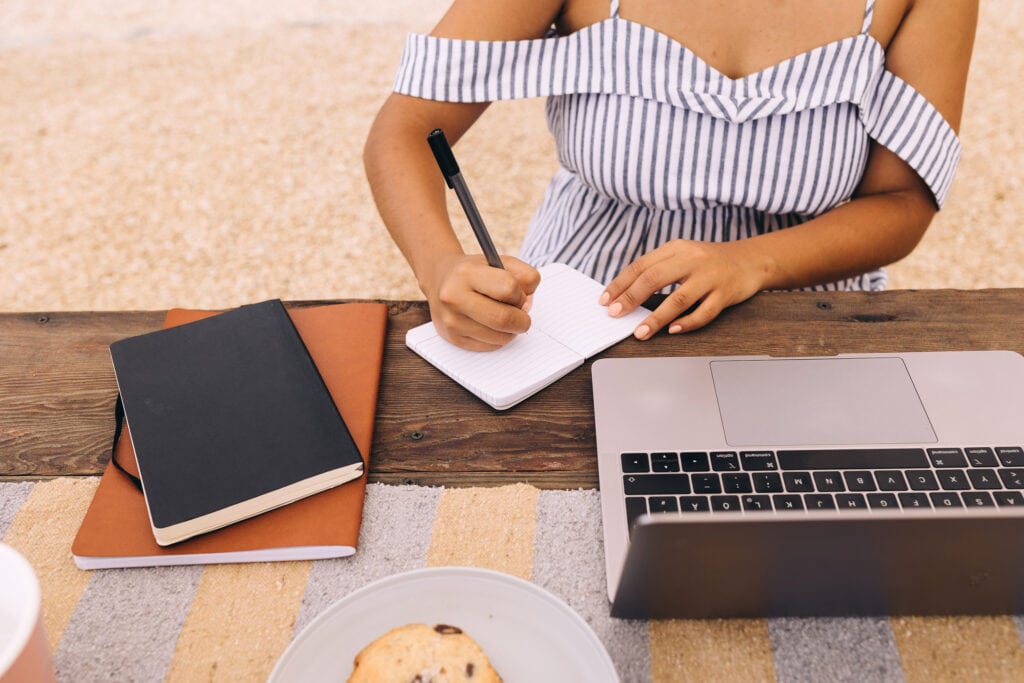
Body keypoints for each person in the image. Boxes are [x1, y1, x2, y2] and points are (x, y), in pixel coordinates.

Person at [364, 0, 977, 351]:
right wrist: (440, 267)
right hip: (585, 305)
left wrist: (752, 261)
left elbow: (903, 199)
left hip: (804, 311)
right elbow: (405, 129)